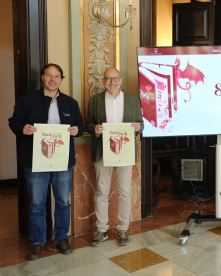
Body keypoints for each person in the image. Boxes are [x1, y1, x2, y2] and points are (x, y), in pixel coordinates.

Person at [8, 63, 84, 261]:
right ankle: (37, 242)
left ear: (61, 79)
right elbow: (13, 121)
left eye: (57, 76)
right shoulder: (27, 100)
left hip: (62, 161)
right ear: (42, 77)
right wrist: (21, 128)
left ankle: (61, 238)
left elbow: (79, 125)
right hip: (35, 161)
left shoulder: (70, 103)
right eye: (49, 75)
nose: (53, 79)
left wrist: (77, 130)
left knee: (63, 202)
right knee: (36, 204)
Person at [86, 67, 144, 247]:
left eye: (116, 78)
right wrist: (93, 129)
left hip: (124, 152)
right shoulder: (95, 100)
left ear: (121, 79)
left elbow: (141, 124)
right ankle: (101, 229)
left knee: (125, 191)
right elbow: (88, 123)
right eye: (108, 79)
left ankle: (123, 228)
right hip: (102, 150)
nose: (112, 82)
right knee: (102, 191)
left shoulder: (133, 100)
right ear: (103, 81)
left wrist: (137, 128)